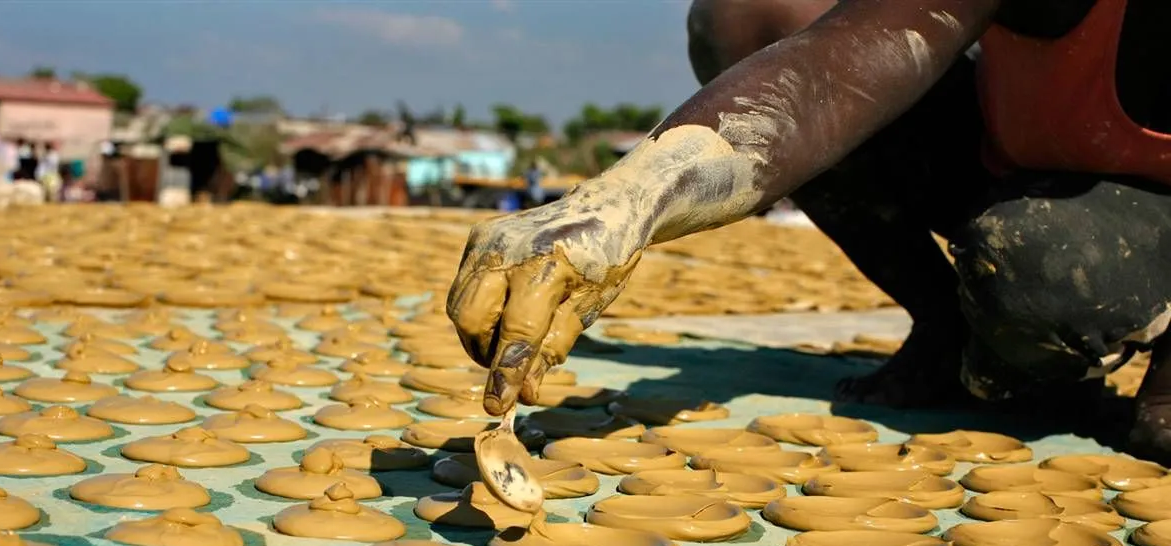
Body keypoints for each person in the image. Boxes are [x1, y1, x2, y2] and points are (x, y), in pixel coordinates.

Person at [446, 0, 1171, 463]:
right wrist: (624, 202)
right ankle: (951, 330)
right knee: (750, 14)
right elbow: (841, 68)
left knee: (1041, 271)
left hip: (1141, 213)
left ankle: (1051, 355)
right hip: (1014, 155)